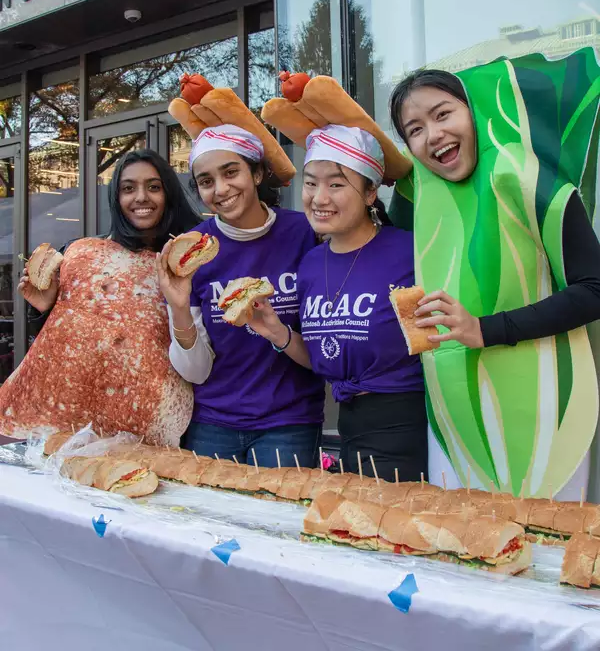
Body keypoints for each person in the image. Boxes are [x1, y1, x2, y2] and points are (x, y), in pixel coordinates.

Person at [388, 54, 600, 499]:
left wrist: (483, 329)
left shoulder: (528, 177)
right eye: (415, 130)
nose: (434, 135)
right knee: (463, 555)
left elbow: (594, 289)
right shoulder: (416, 196)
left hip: (545, 412)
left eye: (443, 114)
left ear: (474, 110)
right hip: (451, 418)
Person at [246, 122, 428, 483]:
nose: (319, 197)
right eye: (311, 182)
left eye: (336, 184)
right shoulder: (312, 262)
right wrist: (276, 332)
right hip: (348, 423)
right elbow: (320, 359)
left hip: (404, 423)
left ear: (370, 193)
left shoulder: (409, 251)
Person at [157, 104, 324, 468]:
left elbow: (325, 339)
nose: (221, 189)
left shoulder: (305, 233)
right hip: (213, 422)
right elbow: (195, 371)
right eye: (206, 181)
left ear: (258, 172)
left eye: (231, 172)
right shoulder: (191, 253)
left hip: (290, 420)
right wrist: (180, 308)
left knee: (278, 523)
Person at [0, 149, 199, 444]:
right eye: (128, 188)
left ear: (169, 193)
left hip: (152, 417)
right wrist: (45, 310)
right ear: (116, 199)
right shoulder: (79, 253)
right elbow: (60, 352)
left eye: (153, 187)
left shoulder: (188, 263)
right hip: (74, 418)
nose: (141, 197)